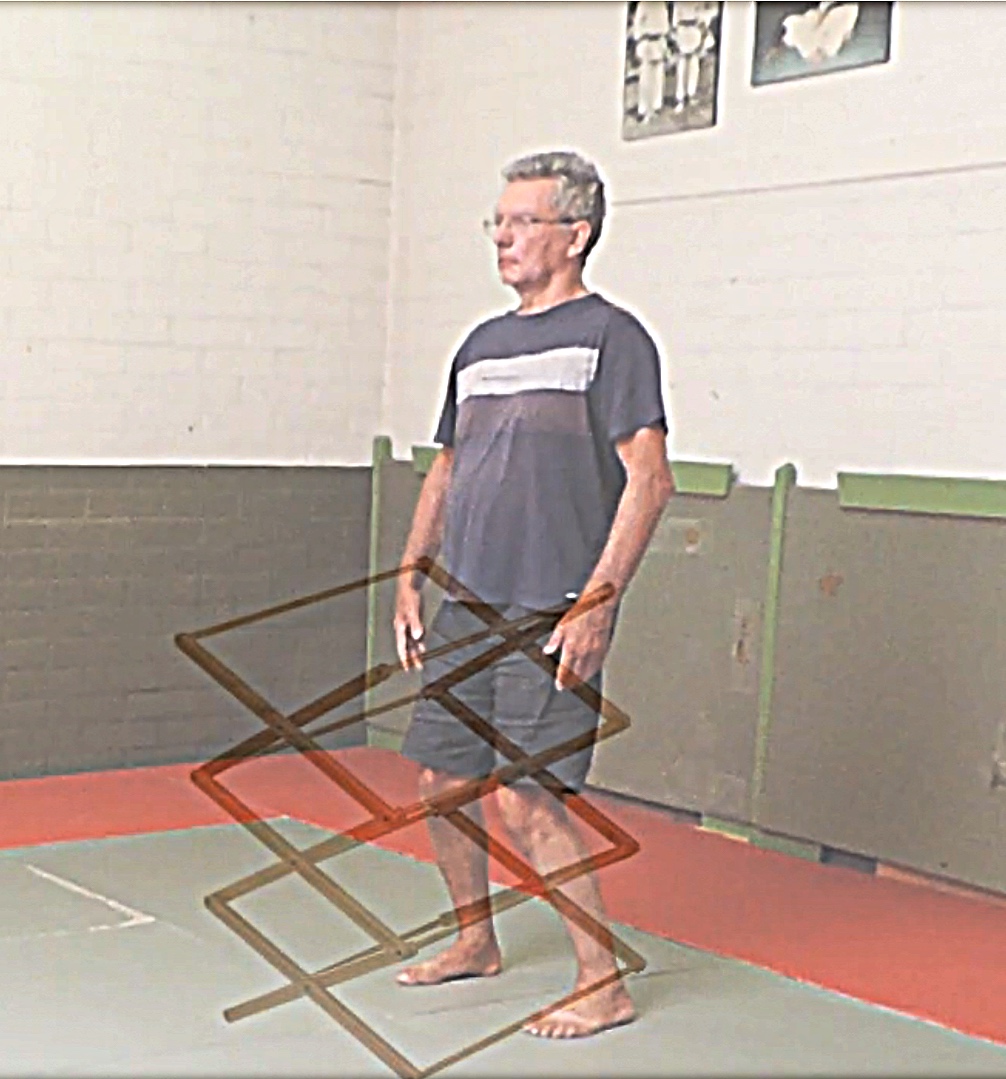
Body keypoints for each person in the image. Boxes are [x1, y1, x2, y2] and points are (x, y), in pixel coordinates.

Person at [391, 150, 674, 1039]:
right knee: (443, 778)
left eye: (521, 222)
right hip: (468, 602)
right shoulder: (479, 346)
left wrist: (598, 600)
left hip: (550, 606)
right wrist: (410, 570)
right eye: (498, 222)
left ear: (575, 234)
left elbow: (650, 479)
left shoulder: (612, 339)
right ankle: (475, 940)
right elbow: (447, 466)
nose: (502, 238)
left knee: (524, 794)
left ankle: (602, 980)